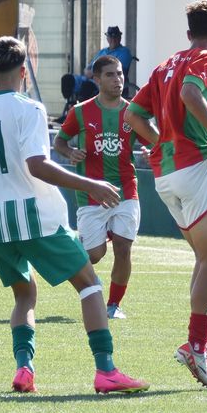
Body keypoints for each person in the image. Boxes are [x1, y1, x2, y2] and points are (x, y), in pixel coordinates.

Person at [0, 36, 148, 394]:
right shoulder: (29, 108)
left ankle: (24, 369)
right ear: (23, 71)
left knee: (24, 295)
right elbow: (38, 165)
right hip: (35, 217)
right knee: (90, 284)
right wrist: (91, 184)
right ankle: (106, 371)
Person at [125, 0, 207, 388]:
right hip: (194, 167)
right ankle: (195, 344)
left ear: (188, 33)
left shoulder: (164, 64)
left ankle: (202, 341)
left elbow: (132, 116)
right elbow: (191, 93)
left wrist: (159, 144)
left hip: (165, 174)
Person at [54, 55, 143, 320]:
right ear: (96, 79)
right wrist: (70, 152)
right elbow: (60, 141)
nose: (117, 79)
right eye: (110, 75)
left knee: (124, 248)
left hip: (126, 190)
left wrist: (151, 150)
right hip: (91, 194)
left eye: (119, 74)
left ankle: (113, 305)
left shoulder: (133, 112)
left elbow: (154, 140)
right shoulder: (80, 112)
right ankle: (77, 245)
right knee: (94, 254)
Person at [60, 26, 134, 112]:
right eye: (111, 37)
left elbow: (116, 70)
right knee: (67, 79)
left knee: (87, 86)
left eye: (115, 37)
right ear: (107, 38)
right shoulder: (102, 51)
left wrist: (94, 72)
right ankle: (67, 112)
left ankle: (83, 113)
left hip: (105, 80)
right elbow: (89, 67)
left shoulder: (124, 52)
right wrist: (89, 71)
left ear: (120, 38)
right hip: (91, 77)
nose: (113, 39)